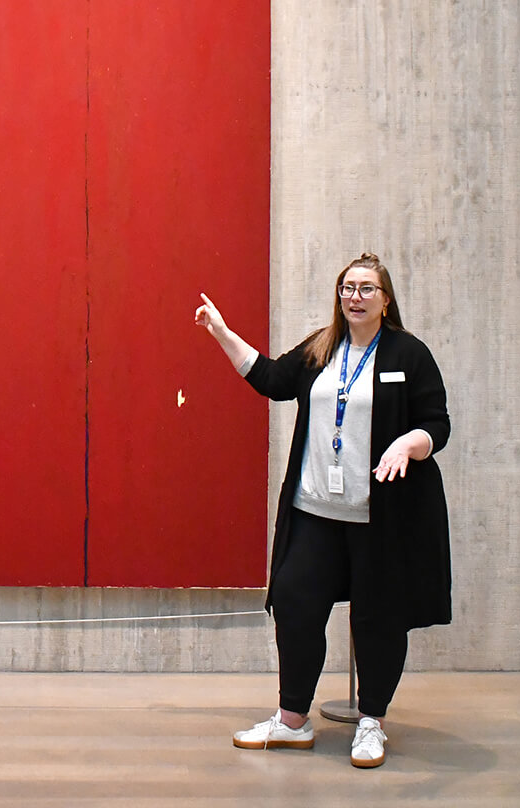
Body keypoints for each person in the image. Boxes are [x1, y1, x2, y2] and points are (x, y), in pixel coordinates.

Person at [194, 252, 451, 769]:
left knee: (379, 620)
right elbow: (268, 378)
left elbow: (437, 424)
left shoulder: (408, 354)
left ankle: (371, 722)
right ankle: (293, 720)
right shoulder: (320, 348)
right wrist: (221, 332)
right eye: (347, 288)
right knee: (293, 603)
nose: (355, 297)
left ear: (385, 299)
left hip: (378, 518)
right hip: (314, 511)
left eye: (366, 289)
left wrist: (408, 445)